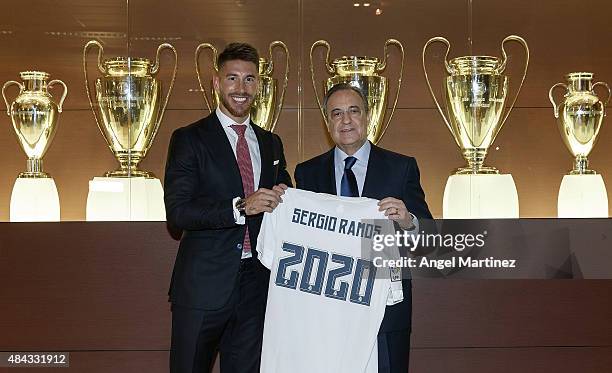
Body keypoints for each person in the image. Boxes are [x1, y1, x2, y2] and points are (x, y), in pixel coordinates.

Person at [164, 42, 291, 373]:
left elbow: (287, 192)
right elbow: (178, 213)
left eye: (250, 79)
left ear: (259, 86)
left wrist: (284, 194)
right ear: (217, 84)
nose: (241, 88)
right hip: (203, 285)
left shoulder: (270, 142)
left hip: (257, 285)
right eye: (232, 78)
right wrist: (239, 208)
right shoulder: (189, 139)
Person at [294, 83, 432, 373]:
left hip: (385, 306)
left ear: (368, 116)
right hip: (327, 306)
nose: (346, 121)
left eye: (353, 111)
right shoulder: (307, 173)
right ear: (327, 121)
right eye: (336, 113)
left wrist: (407, 221)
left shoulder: (401, 167)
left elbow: (428, 235)